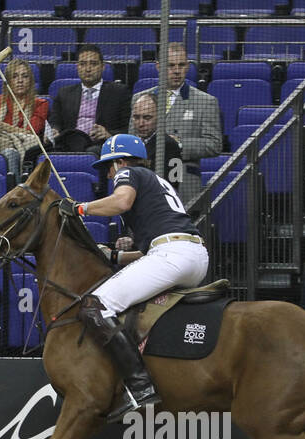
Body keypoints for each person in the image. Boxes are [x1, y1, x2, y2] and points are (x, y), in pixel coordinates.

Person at [73, 134, 209, 422]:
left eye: (108, 168)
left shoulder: (129, 172)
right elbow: (152, 251)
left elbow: (121, 202)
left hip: (173, 255)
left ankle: (140, 386)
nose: (109, 175)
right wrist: (114, 257)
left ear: (120, 161)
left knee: (95, 304)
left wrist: (80, 208)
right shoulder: (156, 182)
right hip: (191, 255)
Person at [131, 43, 223, 209]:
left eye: (181, 65)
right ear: (158, 67)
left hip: (183, 181)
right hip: (146, 177)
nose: (176, 70)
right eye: (171, 66)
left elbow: (214, 144)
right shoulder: (139, 99)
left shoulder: (205, 101)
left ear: (188, 67)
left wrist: (177, 144)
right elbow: (132, 140)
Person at [46, 44, 131, 154]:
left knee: (92, 151)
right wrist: (54, 130)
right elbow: (55, 121)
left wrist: (108, 134)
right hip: (69, 143)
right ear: (77, 67)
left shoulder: (119, 92)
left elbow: (127, 128)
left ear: (103, 66)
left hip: (100, 145)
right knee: (36, 152)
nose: (88, 69)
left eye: (93, 64)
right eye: (83, 64)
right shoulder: (64, 93)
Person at [128, 92, 182, 192]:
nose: (141, 124)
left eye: (147, 118)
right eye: (136, 117)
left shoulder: (169, 145)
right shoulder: (128, 144)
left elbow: (173, 184)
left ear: (160, 117)